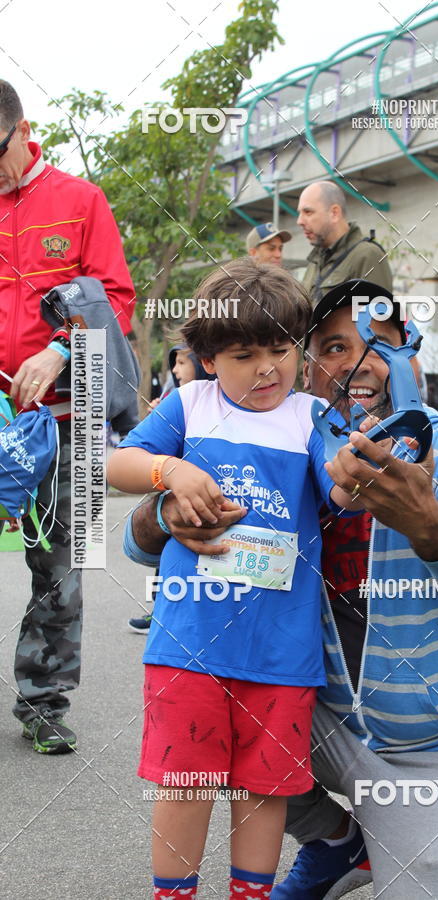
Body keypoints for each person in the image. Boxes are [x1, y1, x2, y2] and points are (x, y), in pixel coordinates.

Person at [123, 280, 438, 899]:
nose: (357, 364)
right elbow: (134, 539)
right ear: (308, 360)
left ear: (410, 352)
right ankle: (337, 840)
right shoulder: (298, 431)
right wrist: (166, 508)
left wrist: (428, 520)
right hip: (322, 708)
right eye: (333, 346)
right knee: (211, 708)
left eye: (378, 345)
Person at [107, 260, 358, 900]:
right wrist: (170, 472)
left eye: (281, 349)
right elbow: (118, 463)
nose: (268, 368)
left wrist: (356, 479)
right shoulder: (190, 405)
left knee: (263, 790)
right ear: (209, 357)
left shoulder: (308, 416)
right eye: (245, 354)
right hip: (189, 642)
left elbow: (339, 487)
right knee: (185, 786)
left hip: (281, 651)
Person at [0, 80, 135, 753]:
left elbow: (115, 297)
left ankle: (44, 702)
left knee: (61, 568)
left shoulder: (80, 202)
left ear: (23, 131)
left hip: (67, 419)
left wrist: (61, 351)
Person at [128, 343, 214, 633]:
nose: (175, 369)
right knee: (166, 559)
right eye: (174, 363)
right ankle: (159, 607)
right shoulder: (177, 400)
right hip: (174, 503)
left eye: (181, 362)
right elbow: (127, 461)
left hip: (210, 514)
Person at [297, 181, 393, 300]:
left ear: (334, 213)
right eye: (299, 213)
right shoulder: (315, 261)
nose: (300, 221)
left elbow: (376, 315)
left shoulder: (367, 255)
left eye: (308, 212)